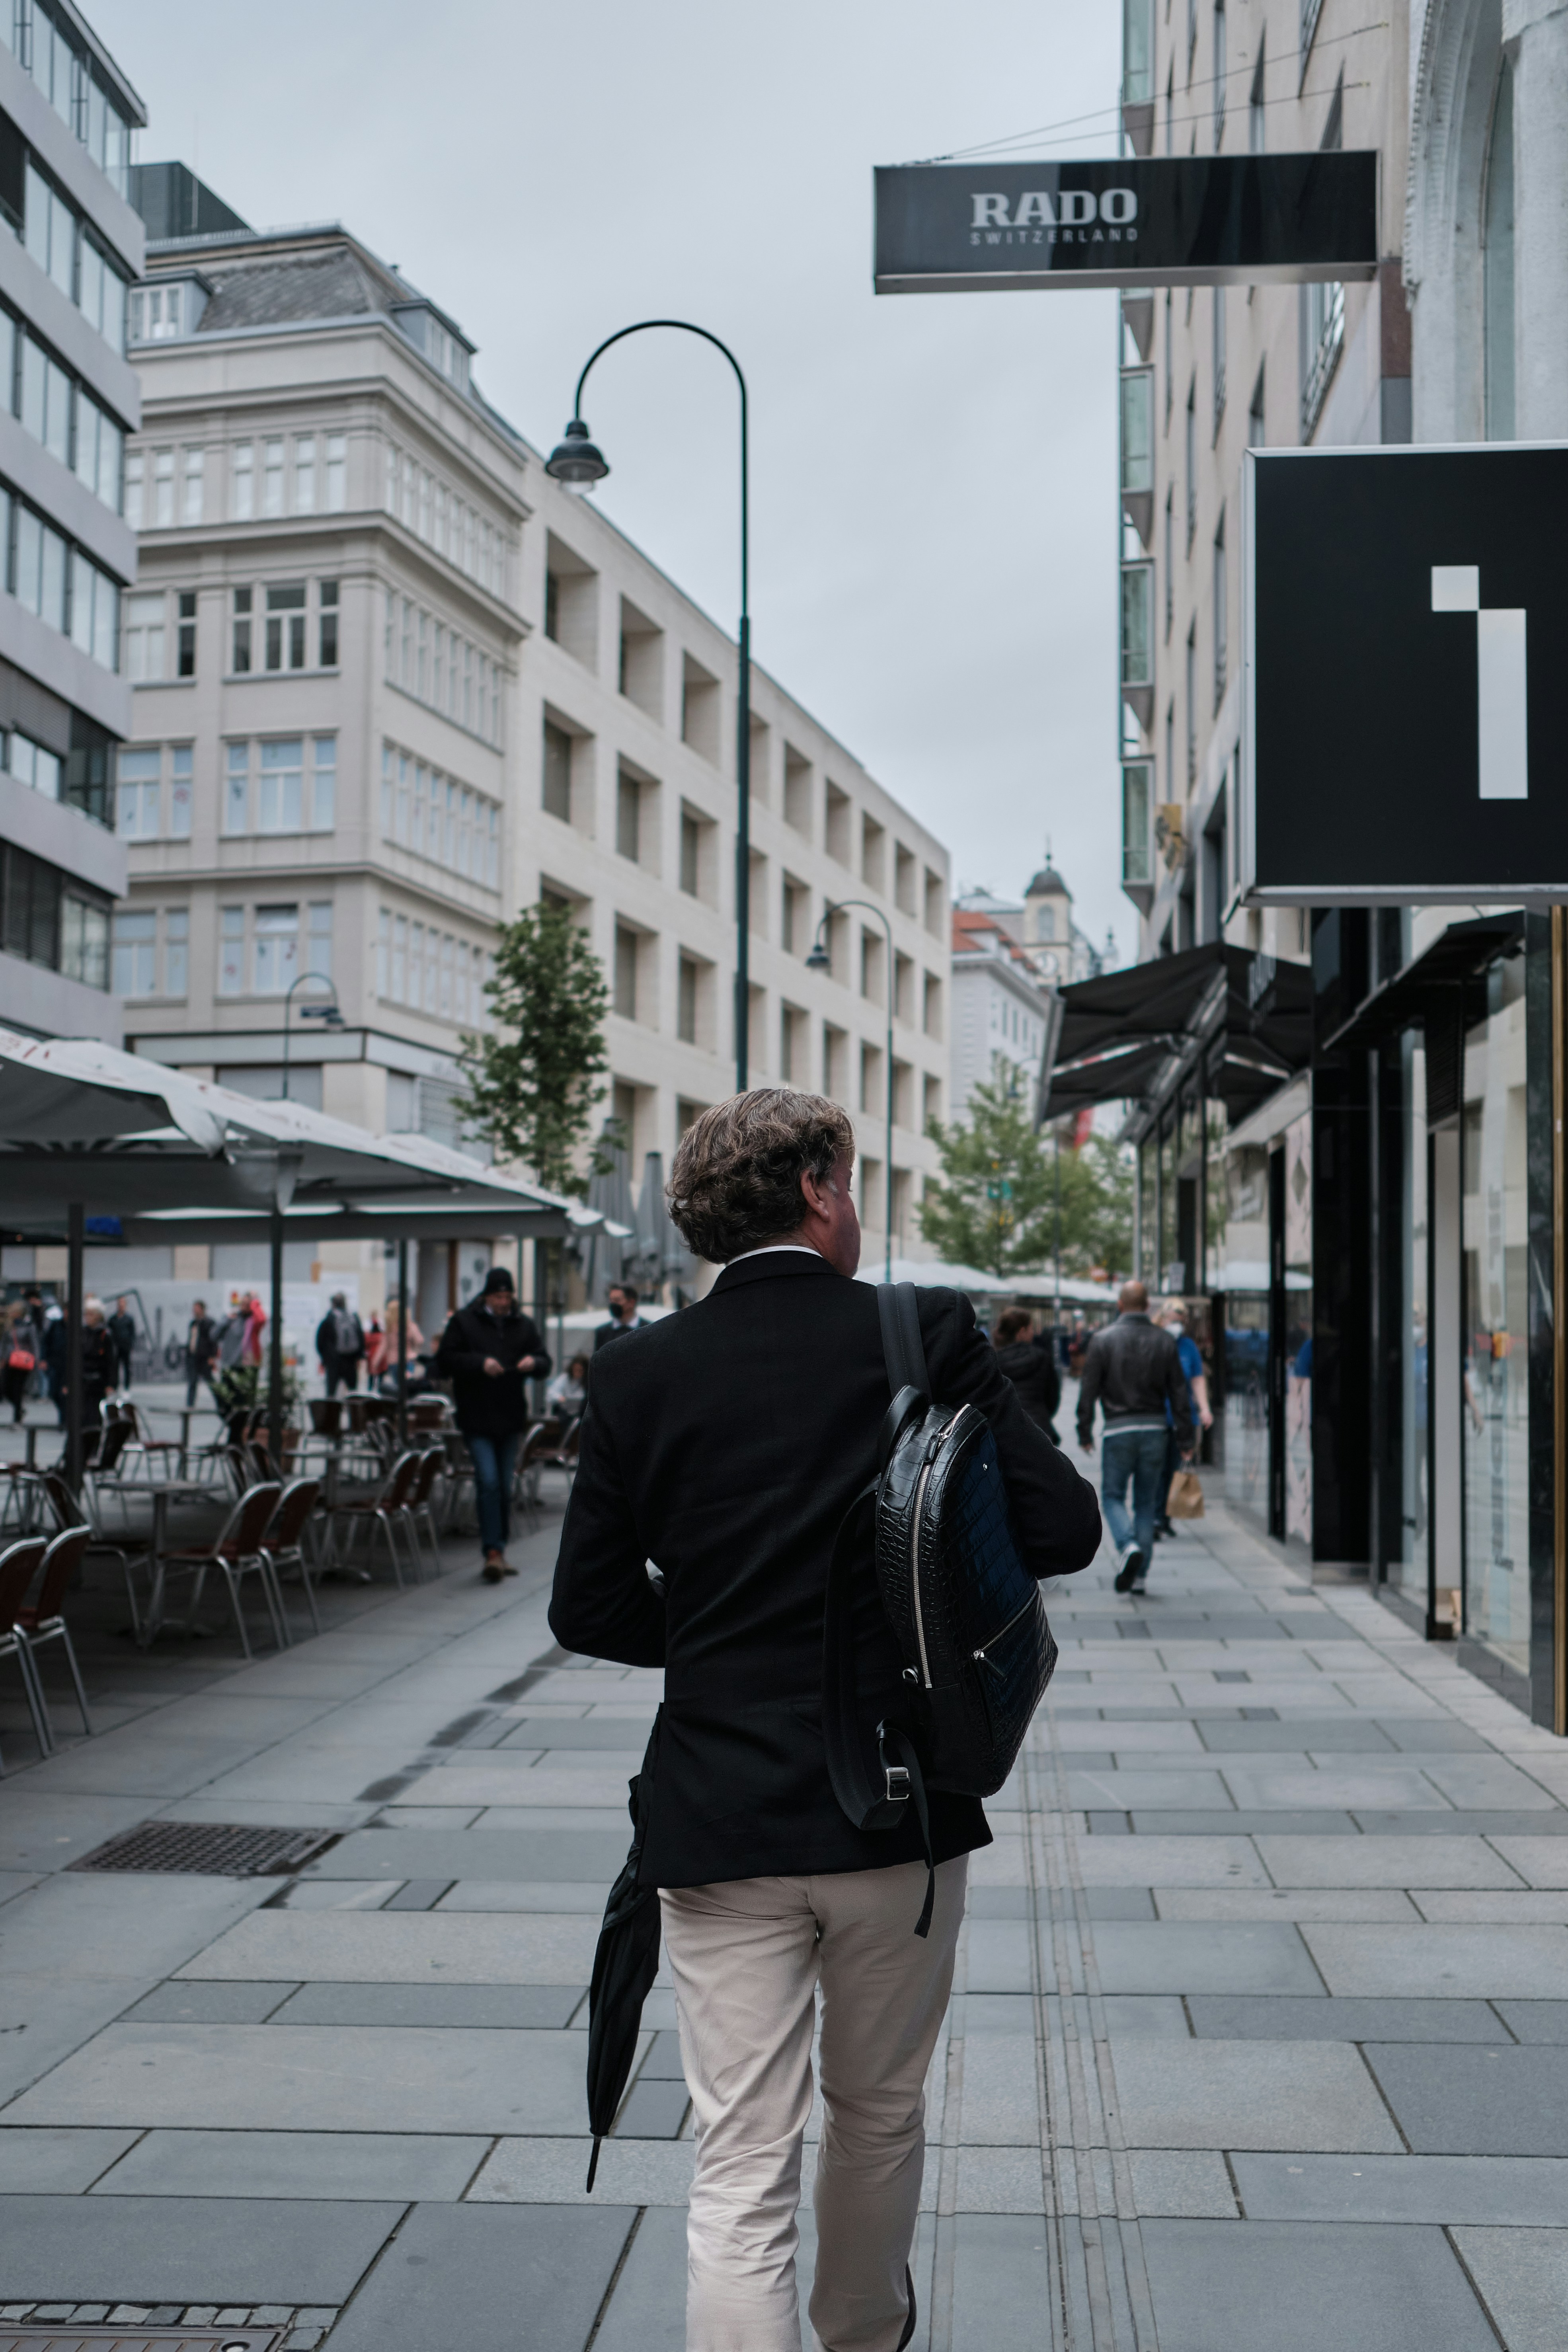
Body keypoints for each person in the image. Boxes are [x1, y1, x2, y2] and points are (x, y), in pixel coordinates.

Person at [551, 1088, 1100, 2352]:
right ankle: (863, 2333)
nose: (855, 1206)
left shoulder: (634, 1370)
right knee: (877, 2111)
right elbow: (1063, 1526)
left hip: (716, 1813)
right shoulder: (915, 1330)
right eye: (849, 1181)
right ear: (814, 1188)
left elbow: (585, 1605)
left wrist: (711, 1643)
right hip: (897, 1810)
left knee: (738, 2160)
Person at [1077, 1279, 1193, 1595]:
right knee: (1146, 1501)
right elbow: (1180, 1393)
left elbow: (1089, 1389)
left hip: (1118, 1428)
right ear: (1147, 1306)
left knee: (1113, 1496)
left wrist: (1084, 1429)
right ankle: (1140, 1576)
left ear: (1120, 1305)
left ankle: (1127, 1545)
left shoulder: (1102, 1341)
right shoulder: (1165, 1341)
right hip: (1156, 1429)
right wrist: (1186, 1439)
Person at [435, 1267, 551, 1582]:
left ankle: (499, 1547)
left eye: (508, 1296)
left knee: (504, 1487)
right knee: (488, 1483)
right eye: (499, 1296)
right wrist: (479, 1364)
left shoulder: (522, 1325)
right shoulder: (464, 1322)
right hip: (477, 1418)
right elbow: (444, 1361)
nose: (504, 1302)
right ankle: (493, 1551)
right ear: (487, 1296)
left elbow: (545, 1361)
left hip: (511, 1418)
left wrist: (534, 1363)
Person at [1152, 1305, 1212, 1540]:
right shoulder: (1156, 1342)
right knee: (1157, 1470)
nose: (1178, 1324)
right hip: (1157, 1416)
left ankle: (1165, 1518)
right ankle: (1156, 1517)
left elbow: (1197, 1380)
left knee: (1174, 1470)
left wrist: (1205, 1409)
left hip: (1182, 1418)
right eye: (1174, 1319)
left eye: (1181, 1320)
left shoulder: (1188, 1347)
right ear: (1163, 1318)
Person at [991, 1305, 1061, 1439]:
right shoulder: (1042, 1357)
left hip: (1004, 1431)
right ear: (1022, 1331)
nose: (1033, 1333)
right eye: (1031, 1329)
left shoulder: (994, 1360)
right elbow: (1053, 1396)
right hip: (1039, 1428)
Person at [316, 1292, 366, 1396]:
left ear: (333, 1304)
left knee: (331, 1393)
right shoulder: (353, 1318)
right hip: (351, 1361)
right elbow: (361, 1338)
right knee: (353, 1393)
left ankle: (332, 1412)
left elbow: (320, 1342)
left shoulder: (329, 1320)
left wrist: (325, 1359)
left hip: (334, 1362)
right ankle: (354, 1412)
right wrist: (358, 1357)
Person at [2, 1297, 42, 1424]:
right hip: (10, 1360)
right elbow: (4, 1343)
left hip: (23, 1362)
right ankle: (19, 1409)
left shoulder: (29, 1325)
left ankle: (17, 1417)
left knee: (18, 1389)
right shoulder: (9, 1325)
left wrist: (37, 1359)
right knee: (6, 1388)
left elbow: (35, 1343)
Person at [183, 1300, 219, 1408]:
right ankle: (190, 1405)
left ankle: (221, 1402)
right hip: (194, 1357)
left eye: (197, 1308)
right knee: (192, 1382)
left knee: (211, 1382)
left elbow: (213, 1341)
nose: (194, 1311)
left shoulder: (209, 1323)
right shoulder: (193, 1323)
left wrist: (212, 1357)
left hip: (204, 1358)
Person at [594, 1281, 646, 1351]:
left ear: (631, 1303)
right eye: (611, 1301)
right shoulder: (603, 1332)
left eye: (617, 1300)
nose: (613, 1304)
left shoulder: (647, 1329)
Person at [545, 1353, 590, 1419]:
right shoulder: (565, 1378)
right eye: (575, 1370)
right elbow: (551, 1394)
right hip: (565, 1412)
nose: (577, 1373)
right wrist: (561, 1399)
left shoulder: (588, 1381)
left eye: (580, 1370)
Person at [107, 1296, 137, 1392]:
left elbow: (133, 1333)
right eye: (120, 1304)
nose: (121, 1306)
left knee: (127, 1367)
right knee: (115, 1368)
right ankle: (115, 1386)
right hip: (116, 1347)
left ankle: (127, 1387)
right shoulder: (113, 1320)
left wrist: (131, 1345)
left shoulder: (129, 1319)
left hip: (126, 1347)